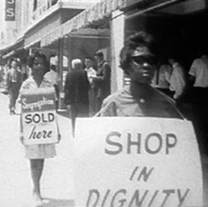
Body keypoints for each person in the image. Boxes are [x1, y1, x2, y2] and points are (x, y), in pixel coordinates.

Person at [96, 31, 183, 119]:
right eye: (139, 60)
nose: (146, 65)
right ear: (126, 65)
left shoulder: (168, 105)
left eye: (151, 60)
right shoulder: (113, 104)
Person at [18, 52, 61, 206]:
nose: (38, 66)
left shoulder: (49, 85)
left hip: (46, 128)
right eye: (35, 63)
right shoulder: (26, 85)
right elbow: (23, 111)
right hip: (31, 128)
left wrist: (57, 129)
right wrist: (22, 130)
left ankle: (37, 186)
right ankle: (36, 190)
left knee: (41, 159)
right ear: (31, 66)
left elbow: (52, 110)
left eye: (41, 64)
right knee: (33, 159)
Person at [64, 58, 89, 133]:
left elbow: (66, 87)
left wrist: (67, 101)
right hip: (82, 100)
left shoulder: (69, 74)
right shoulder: (83, 73)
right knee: (83, 117)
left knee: (73, 118)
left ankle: (74, 132)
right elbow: (86, 85)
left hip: (72, 100)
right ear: (80, 65)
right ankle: (82, 132)